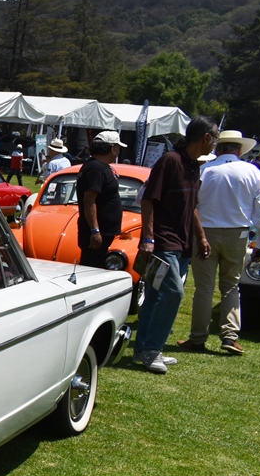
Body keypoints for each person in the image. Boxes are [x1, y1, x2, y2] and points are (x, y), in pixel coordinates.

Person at [132, 118, 219, 373]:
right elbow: (148, 199)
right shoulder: (171, 160)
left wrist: (200, 236)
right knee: (174, 293)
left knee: (157, 294)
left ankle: (144, 349)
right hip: (163, 241)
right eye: (214, 138)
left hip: (182, 242)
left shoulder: (194, 166)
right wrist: (148, 239)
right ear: (205, 138)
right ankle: (152, 350)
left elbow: (191, 206)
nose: (215, 143)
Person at [179, 129, 260, 355]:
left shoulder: (205, 170)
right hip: (237, 234)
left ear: (218, 148)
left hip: (206, 232)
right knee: (231, 286)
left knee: (204, 288)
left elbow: (192, 204)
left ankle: (198, 338)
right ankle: (230, 336)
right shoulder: (252, 171)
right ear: (239, 150)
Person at [76, 131, 124, 270]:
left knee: (96, 265)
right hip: (98, 232)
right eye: (118, 147)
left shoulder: (99, 166)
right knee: (91, 267)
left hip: (104, 231)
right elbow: (89, 201)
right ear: (112, 148)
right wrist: (95, 231)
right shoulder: (95, 168)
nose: (118, 151)